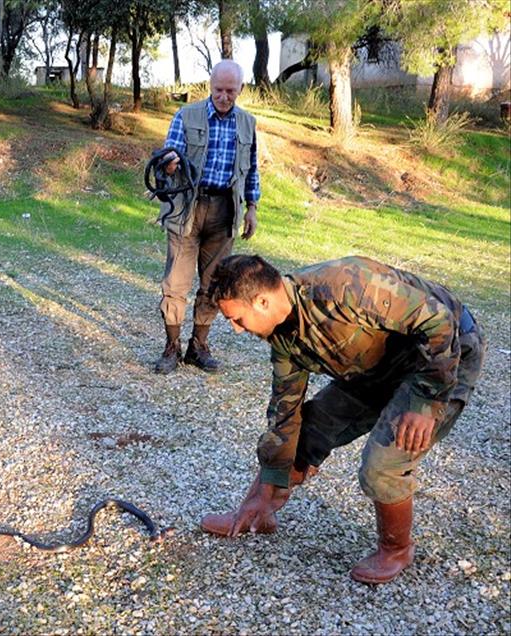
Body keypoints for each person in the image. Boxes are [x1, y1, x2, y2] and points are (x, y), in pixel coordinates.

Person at [199, 254, 486, 584]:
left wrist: (426, 401)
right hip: (378, 365)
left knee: (384, 462)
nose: (236, 330)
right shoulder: (281, 336)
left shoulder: (346, 287)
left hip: (443, 355)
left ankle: (396, 549)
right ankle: (257, 513)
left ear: (262, 301)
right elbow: (285, 413)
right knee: (307, 429)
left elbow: (439, 321)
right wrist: (263, 493)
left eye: (236, 319)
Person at [153, 60, 260, 375]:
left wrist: (252, 207)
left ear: (240, 89)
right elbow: (169, 152)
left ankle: (198, 347)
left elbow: (252, 169)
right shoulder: (186, 115)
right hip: (187, 208)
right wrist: (169, 163)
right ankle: (171, 348)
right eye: (218, 90)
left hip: (224, 210)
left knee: (213, 284)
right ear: (209, 87)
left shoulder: (247, 123)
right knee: (176, 284)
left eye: (230, 91)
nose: (224, 97)